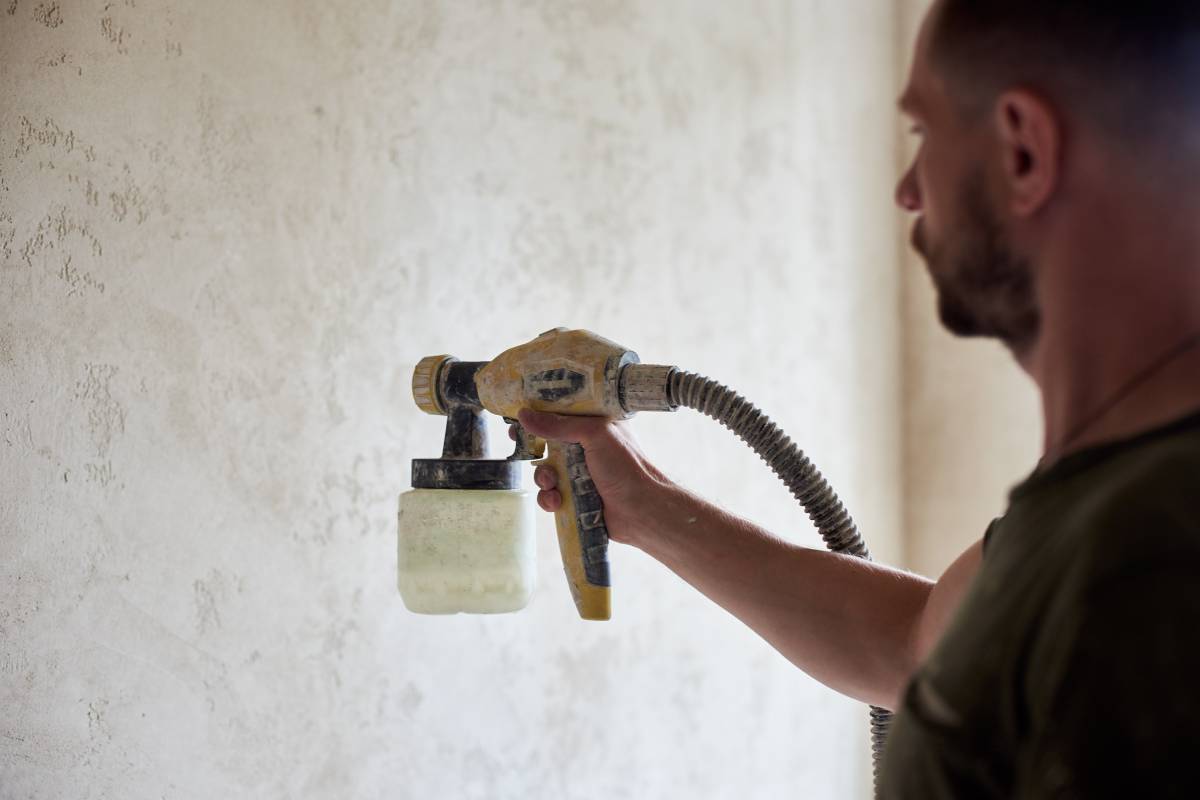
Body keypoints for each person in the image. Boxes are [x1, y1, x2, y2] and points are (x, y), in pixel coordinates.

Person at [517, 1, 1200, 796]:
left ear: (1022, 150)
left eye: (924, 133)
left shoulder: (1152, 549)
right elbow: (912, 647)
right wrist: (646, 507)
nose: (909, 191)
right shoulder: (1105, 495)